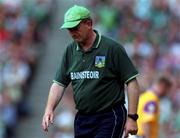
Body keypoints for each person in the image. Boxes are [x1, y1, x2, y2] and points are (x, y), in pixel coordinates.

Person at [42, 5, 140, 138]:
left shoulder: (111, 48)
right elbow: (59, 84)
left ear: (89, 23)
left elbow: (132, 81)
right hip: (83, 117)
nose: (72, 32)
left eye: (75, 28)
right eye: (69, 29)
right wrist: (49, 108)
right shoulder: (70, 51)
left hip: (109, 115)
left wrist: (132, 117)